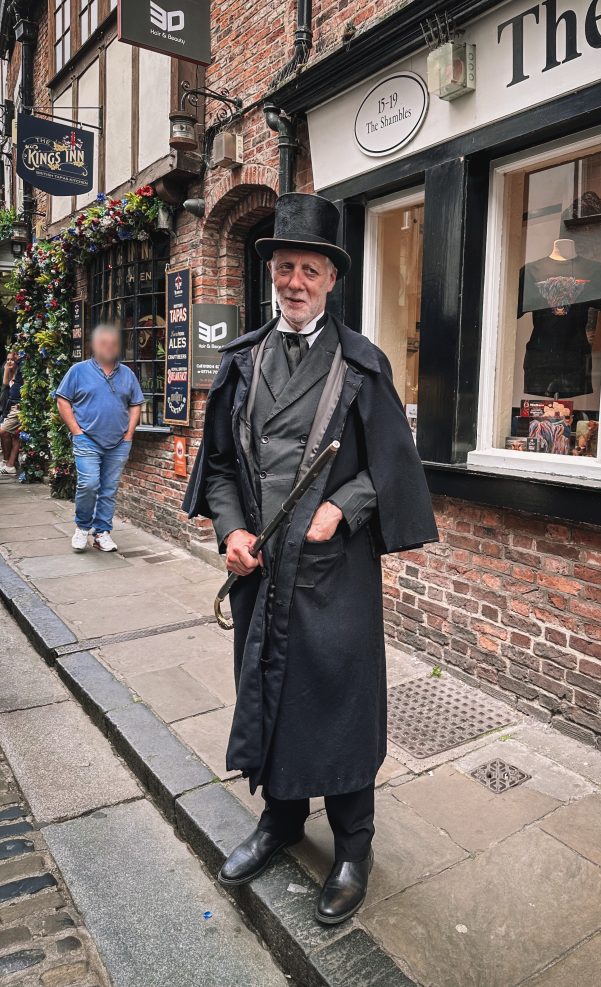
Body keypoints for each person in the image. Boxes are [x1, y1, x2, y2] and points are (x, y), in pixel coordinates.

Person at [183, 193, 437, 925]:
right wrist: (230, 528)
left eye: (309, 270)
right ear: (274, 275)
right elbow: (223, 467)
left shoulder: (361, 364)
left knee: (339, 702)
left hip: (333, 577)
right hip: (262, 573)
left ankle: (354, 845)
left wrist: (345, 506)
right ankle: (282, 819)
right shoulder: (241, 362)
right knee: (271, 691)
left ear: (331, 279)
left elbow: (393, 466)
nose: (295, 281)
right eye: (285, 267)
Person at [56, 325, 143, 552]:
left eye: (113, 343)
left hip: (118, 443)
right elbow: (62, 400)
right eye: (103, 342)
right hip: (87, 439)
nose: (109, 347)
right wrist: (76, 430)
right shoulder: (78, 371)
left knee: (109, 488)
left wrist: (129, 434)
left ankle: (102, 533)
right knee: (89, 483)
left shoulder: (128, 374)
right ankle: (82, 527)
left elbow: (136, 404)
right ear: (94, 345)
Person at [0, 350, 23, 475]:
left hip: (18, 407)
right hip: (9, 408)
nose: (9, 361)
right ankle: (9, 463)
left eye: (12, 360)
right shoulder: (11, 374)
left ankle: (7, 462)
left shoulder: (21, 373)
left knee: (3, 431)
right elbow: (4, 390)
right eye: (7, 359)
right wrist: (6, 370)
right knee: (15, 437)